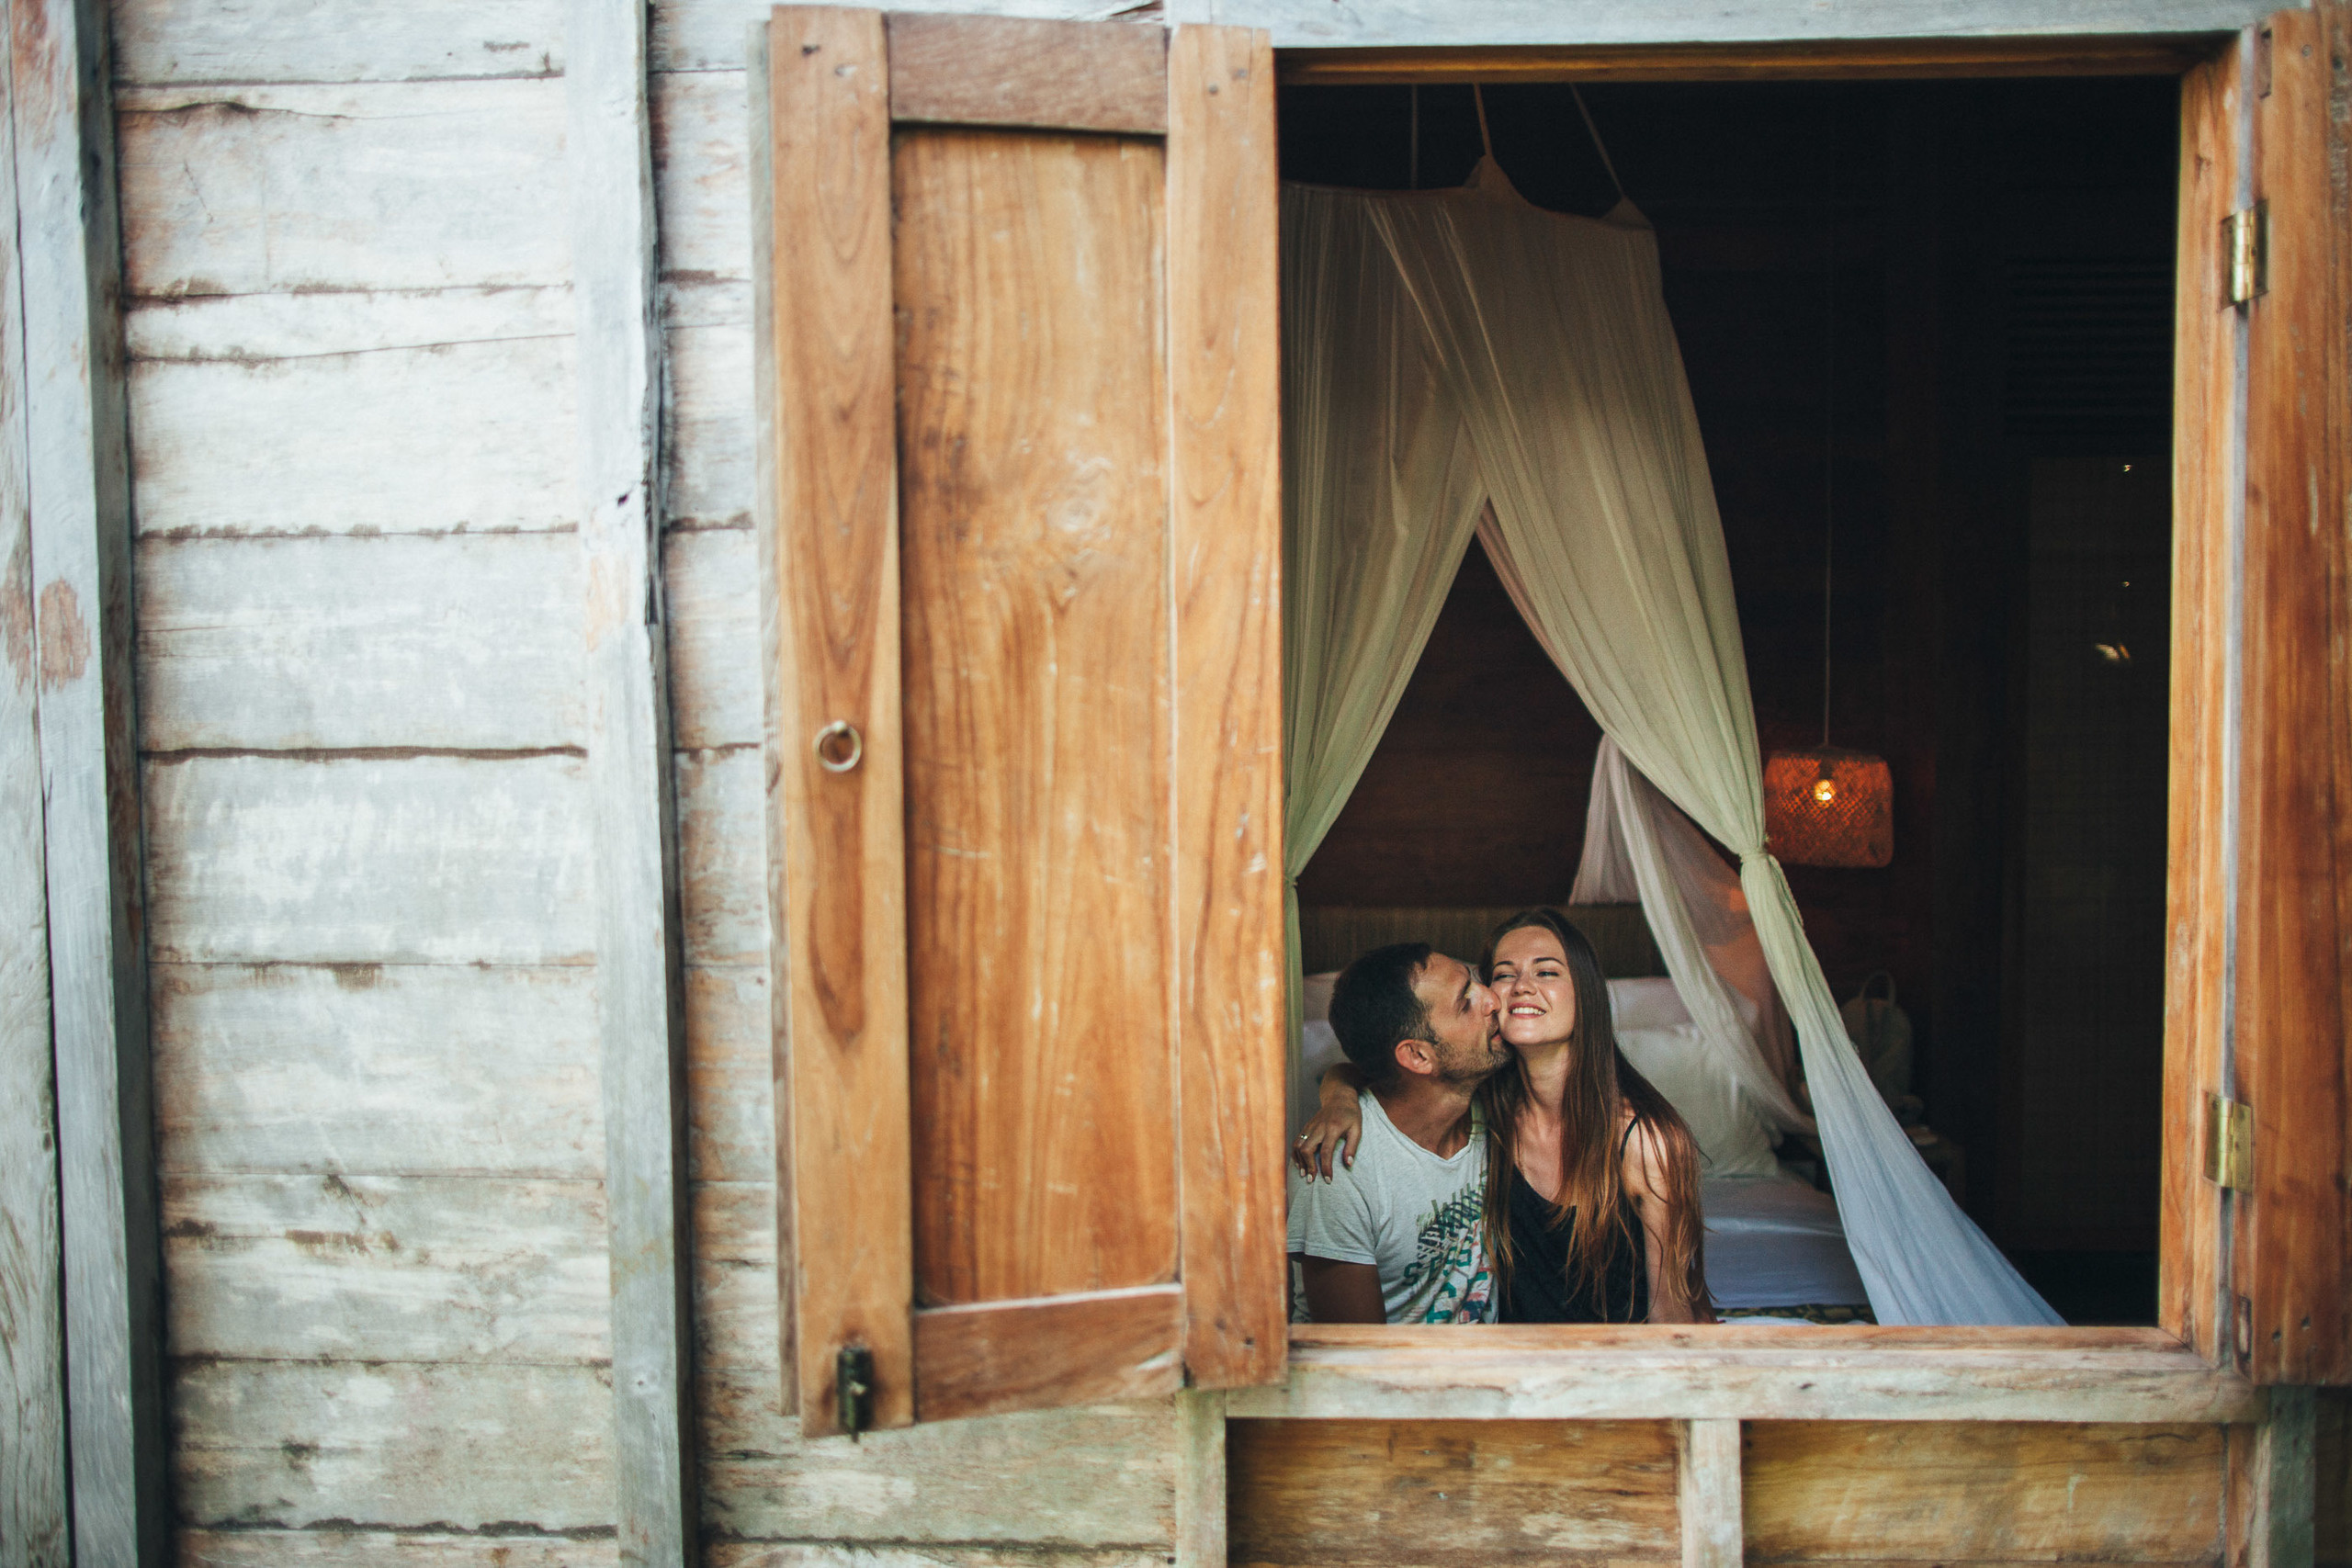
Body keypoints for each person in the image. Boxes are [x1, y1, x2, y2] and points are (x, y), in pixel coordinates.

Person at [1295, 909, 1713, 1324]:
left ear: (1585, 990)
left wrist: (1339, 1094)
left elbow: (1675, 1311)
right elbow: (1382, 1076)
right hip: (1490, 1373)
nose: (1507, 994)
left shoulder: (1641, 1138)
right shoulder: (1487, 1103)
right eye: (1501, 975)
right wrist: (1339, 1097)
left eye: (1547, 972)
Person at [1286, 942, 1509, 1324]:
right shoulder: (1340, 1169)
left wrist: (1338, 1091)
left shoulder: (1497, 1099)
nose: (1492, 1000)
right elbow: (1357, 1355)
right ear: (1418, 1056)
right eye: (1465, 1002)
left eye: (1476, 981)